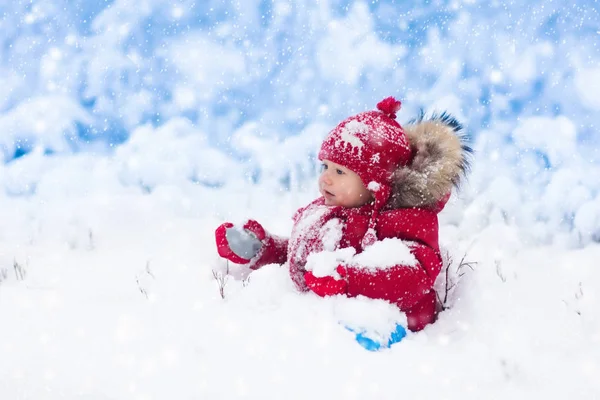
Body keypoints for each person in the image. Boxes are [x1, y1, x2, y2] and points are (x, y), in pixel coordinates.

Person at [215, 96, 470, 332]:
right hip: (325, 322)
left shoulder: (402, 218)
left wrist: (349, 278)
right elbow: (309, 262)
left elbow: (413, 277)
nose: (325, 177)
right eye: (326, 166)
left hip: (393, 328)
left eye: (339, 172)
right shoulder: (328, 212)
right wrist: (267, 249)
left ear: (374, 183)